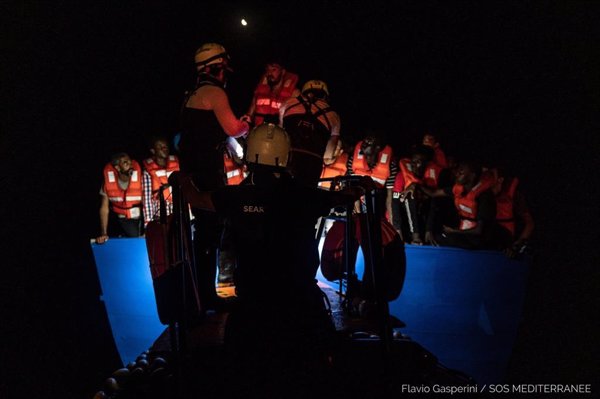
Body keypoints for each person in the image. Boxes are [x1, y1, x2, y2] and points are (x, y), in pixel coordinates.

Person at [175, 123, 369, 394]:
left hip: (251, 308)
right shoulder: (305, 195)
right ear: (286, 157)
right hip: (300, 306)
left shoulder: (234, 196)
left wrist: (183, 180)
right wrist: (360, 189)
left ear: (249, 156)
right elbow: (344, 198)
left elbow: (196, 199)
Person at [178, 42, 250, 309]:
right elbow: (233, 128)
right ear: (216, 67)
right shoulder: (214, 93)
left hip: (193, 171)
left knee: (205, 234)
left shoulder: (192, 93)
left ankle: (201, 294)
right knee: (210, 232)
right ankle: (206, 297)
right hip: (206, 172)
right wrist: (247, 124)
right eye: (224, 67)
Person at [417, 160, 502, 250]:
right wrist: (415, 184)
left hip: (479, 239)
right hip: (464, 233)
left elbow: (479, 231)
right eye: (457, 171)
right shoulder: (459, 189)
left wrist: (454, 231)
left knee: (443, 239)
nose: (457, 174)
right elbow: (434, 193)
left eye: (461, 172)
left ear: (472, 176)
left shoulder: (485, 197)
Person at [279, 79, 341, 185]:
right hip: (311, 166)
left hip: (285, 159)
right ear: (326, 96)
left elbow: (280, 132)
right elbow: (328, 154)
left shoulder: (288, 103)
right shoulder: (334, 116)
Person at [392, 144, 442, 244]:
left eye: (418, 162)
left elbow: (433, 203)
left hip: (422, 216)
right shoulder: (401, 176)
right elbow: (395, 204)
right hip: (405, 217)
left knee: (433, 198)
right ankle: (415, 237)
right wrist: (398, 230)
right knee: (410, 195)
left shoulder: (433, 176)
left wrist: (429, 229)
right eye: (413, 162)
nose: (414, 165)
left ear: (427, 164)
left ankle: (428, 233)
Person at [346, 135, 398, 224]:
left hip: (377, 201)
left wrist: (391, 222)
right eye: (364, 141)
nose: (364, 144)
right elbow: (353, 189)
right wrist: (359, 215)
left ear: (378, 147)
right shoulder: (352, 161)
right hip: (358, 201)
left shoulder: (390, 166)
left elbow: (389, 198)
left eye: (369, 142)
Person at [96, 152, 143, 244]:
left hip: (143, 217)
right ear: (117, 168)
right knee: (132, 237)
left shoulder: (141, 177)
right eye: (125, 163)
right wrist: (104, 233)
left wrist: (147, 226)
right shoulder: (107, 183)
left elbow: (149, 201)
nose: (130, 165)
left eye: (130, 162)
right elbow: (104, 209)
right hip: (124, 219)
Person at [490, 167, 535, 258]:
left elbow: (530, 224)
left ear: (500, 180)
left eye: (490, 176)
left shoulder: (514, 195)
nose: (486, 180)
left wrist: (516, 246)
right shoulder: (480, 193)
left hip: (508, 243)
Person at [245, 60, 300, 126]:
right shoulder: (259, 92)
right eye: (267, 69)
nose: (269, 73)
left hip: (280, 134)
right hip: (259, 132)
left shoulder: (294, 93)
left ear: (282, 72)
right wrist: (245, 122)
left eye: (274, 69)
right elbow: (249, 115)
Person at [141, 137, 180, 226]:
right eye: (160, 147)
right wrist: (148, 223)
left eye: (165, 146)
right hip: (161, 214)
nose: (164, 148)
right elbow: (147, 200)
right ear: (153, 151)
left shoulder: (178, 163)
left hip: (180, 209)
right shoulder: (147, 171)